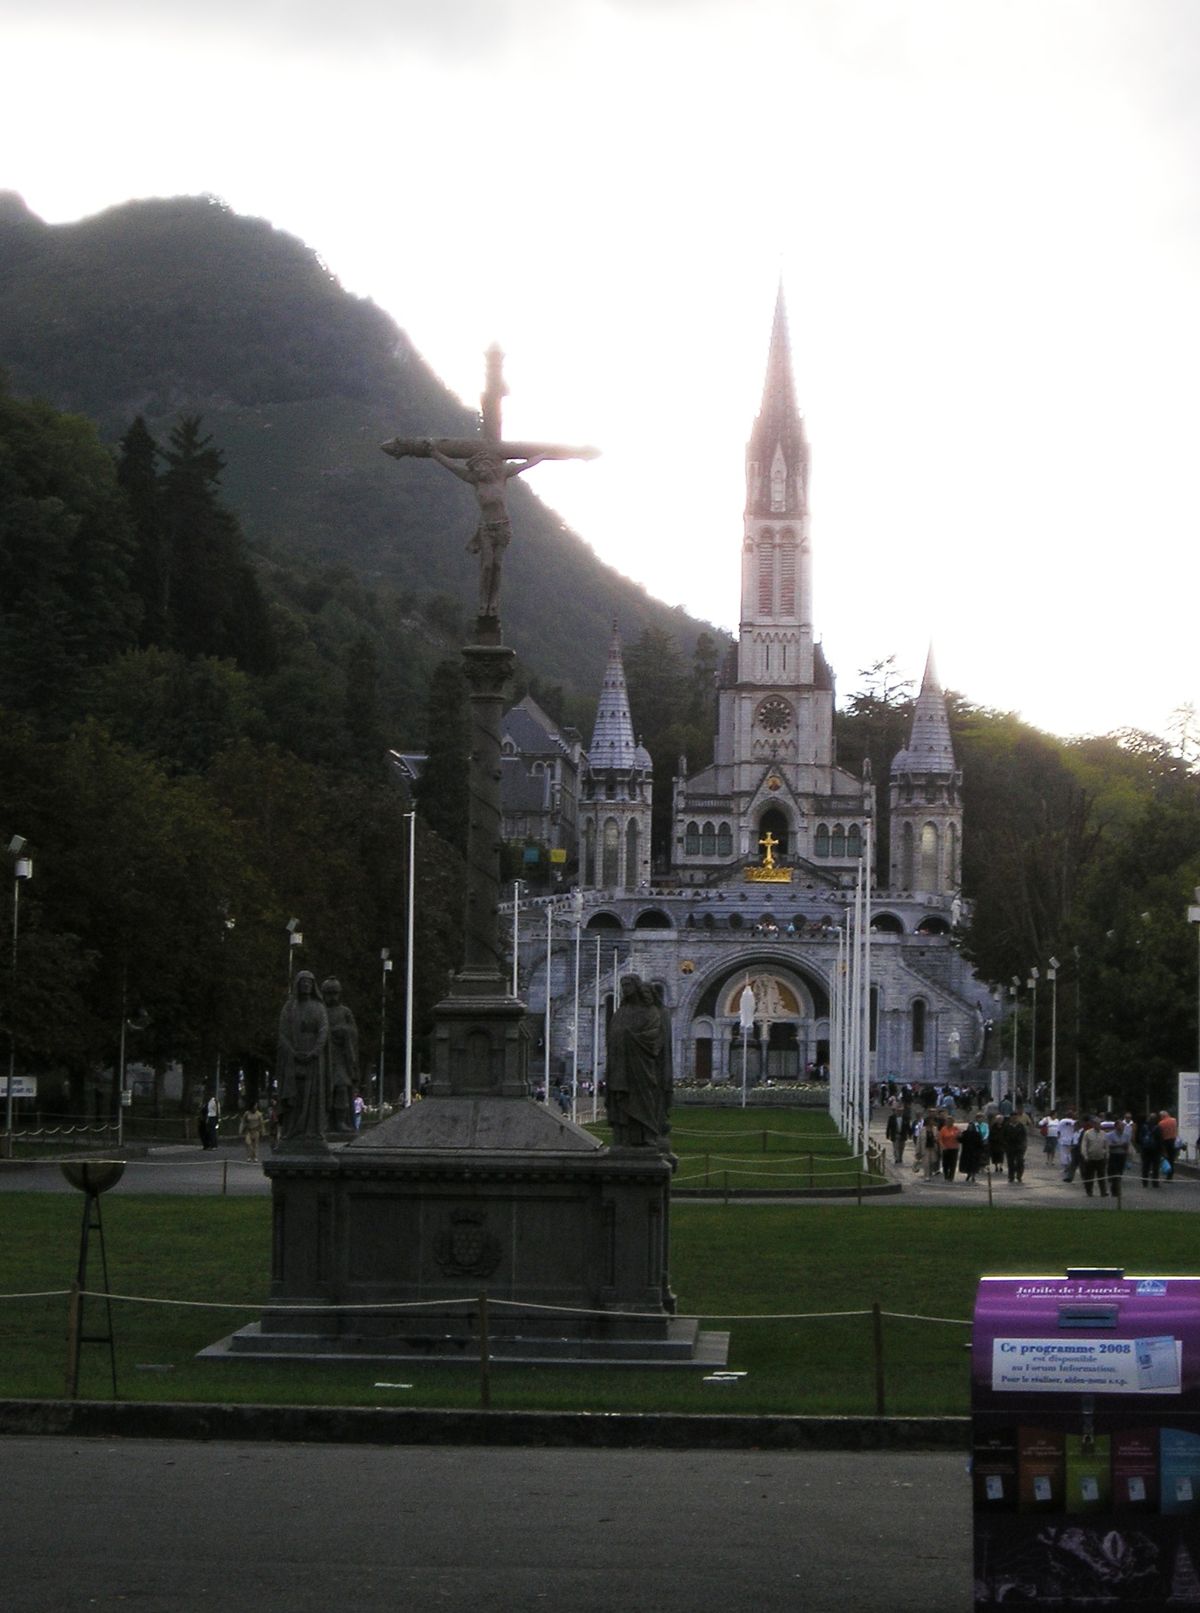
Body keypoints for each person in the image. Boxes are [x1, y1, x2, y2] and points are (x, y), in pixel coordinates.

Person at [605, 974, 670, 1150]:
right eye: (623, 985)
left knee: (645, 1101)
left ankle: (646, 1136)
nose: (625, 989)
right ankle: (623, 1137)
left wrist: (631, 1038)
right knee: (621, 1102)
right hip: (621, 1064)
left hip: (642, 1066)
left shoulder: (651, 1012)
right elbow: (613, 1034)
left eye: (628, 985)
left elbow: (654, 1036)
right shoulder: (621, 1012)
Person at [276, 970, 330, 1141]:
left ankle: (311, 1131)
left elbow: (323, 1031)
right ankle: (291, 1130)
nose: (306, 985)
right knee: (294, 1096)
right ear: (298, 985)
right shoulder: (290, 1007)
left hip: (313, 1060)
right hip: (293, 1058)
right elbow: (283, 1034)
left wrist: (314, 1052)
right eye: (303, 982)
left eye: (309, 982)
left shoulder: (319, 1008)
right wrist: (293, 1052)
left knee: (312, 1096)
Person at [321, 977, 359, 1135]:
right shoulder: (320, 1011)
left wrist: (344, 1031)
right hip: (323, 1056)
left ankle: (341, 1121)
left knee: (342, 1088)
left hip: (341, 1057)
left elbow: (354, 1032)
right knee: (324, 1090)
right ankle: (325, 1121)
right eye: (329, 993)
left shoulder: (345, 1012)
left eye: (335, 993)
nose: (332, 997)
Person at [1079, 1116, 1110, 1198]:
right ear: (1093, 1124)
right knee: (1089, 1176)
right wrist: (1085, 1155)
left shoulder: (1104, 1134)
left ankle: (1103, 1192)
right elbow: (1084, 1146)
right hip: (1090, 1158)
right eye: (1096, 1124)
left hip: (1100, 1158)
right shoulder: (1087, 1133)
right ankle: (1089, 1191)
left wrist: (1107, 1155)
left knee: (1102, 1176)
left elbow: (1106, 1146)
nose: (1098, 1125)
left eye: (1099, 1123)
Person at [1106, 1112, 1132, 1198]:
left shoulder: (1126, 1135)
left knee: (1119, 1173)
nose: (1122, 1127)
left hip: (1122, 1155)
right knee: (1114, 1173)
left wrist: (1127, 1152)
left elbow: (1127, 1145)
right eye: (1120, 1125)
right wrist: (1119, 1145)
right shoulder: (1109, 1135)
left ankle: (1116, 1189)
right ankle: (1115, 1191)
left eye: (1123, 1126)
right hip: (1114, 1155)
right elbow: (1109, 1146)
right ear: (1116, 1126)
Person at [959, 1119, 986, 1184]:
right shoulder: (965, 1133)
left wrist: (981, 1151)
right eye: (969, 1126)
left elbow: (980, 1143)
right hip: (966, 1152)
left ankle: (973, 1176)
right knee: (967, 1165)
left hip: (975, 1152)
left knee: (974, 1165)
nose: (970, 1127)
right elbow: (961, 1140)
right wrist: (959, 1137)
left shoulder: (977, 1134)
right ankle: (969, 1174)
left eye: (971, 1126)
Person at [938, 1116, 961, 1182]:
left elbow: (959, 1136)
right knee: (945, 1163)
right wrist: (943, 1146)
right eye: (947, 1121)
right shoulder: (943, 1129)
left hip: (954, 1149)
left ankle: (951, 1177)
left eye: (950, 1121)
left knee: (953, 1163)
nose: (949, 1122)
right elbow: (940, 1139)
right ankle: (946, 1176)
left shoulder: (956, 1128)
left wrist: (958, 1135)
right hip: (946, 1148)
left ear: (953, 1122)